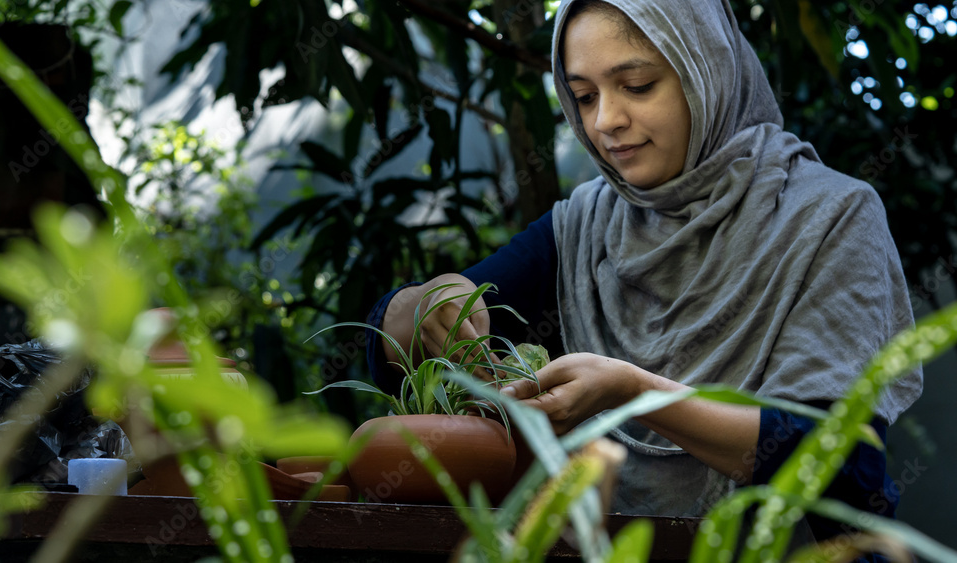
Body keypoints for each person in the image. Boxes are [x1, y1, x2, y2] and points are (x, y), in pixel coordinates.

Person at [364, 0, 923, 555]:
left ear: (705, 72)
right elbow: (392, 344)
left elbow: (837, 459)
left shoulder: (830, 217)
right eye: (584, 96)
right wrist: (421, 305)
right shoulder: (585, 226)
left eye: (635, 85)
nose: (605, 120)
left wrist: (635, 391)